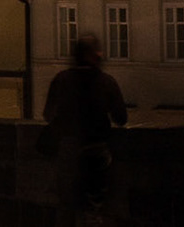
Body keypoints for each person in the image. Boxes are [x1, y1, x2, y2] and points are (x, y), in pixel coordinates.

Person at [41, 33, 128, 227]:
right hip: (96, 151)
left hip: (68, 150)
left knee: (65, 206)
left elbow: (48, 114)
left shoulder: (61, 79)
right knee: (93, 209)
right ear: (94, 56)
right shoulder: (106, 81)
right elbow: (121, 118)